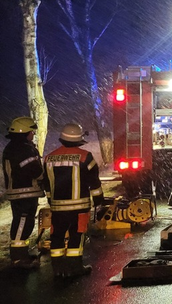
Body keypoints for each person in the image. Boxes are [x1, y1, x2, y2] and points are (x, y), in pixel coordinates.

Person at [42, 124, 104, 277]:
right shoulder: (85, 157)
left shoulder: (49, 158)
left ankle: (57, 269)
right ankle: (75, 268)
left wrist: (51, 200)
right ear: (79, 139)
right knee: (76, 235)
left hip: (58, 208)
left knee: (57, 236)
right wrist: (99, 202)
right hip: (79, 207)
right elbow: (94, 183)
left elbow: (47, 184)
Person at [2, 116, 44, 268]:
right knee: (22, 222)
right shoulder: (23, 149)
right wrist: (44, 178)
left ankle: (22, 254)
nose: (33, 134)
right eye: (31, 132)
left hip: (22, 192)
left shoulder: (15, 147)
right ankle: (19, 258)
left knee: (24, 222)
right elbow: (35, 170)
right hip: (23, 192)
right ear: (24, 132)